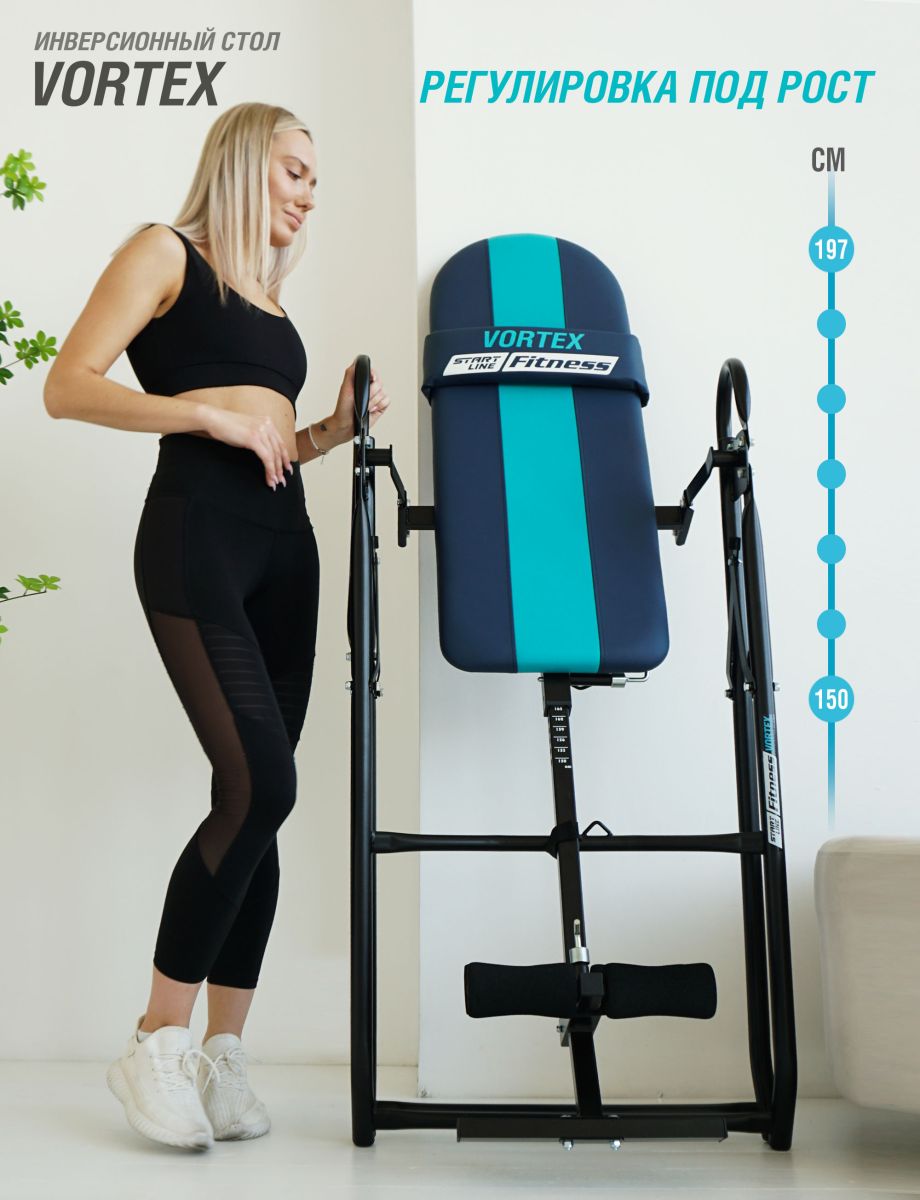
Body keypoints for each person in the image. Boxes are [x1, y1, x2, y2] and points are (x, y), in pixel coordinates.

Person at [42, 102, 390, 1151]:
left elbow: (272, 442)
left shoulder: (270, 304)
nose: (308, 195)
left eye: (315, 181)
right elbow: (67, 386)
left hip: (285, 547)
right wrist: (202, 412)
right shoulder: (165, 253)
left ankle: (221, 1054)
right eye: (294, 171)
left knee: (259, 806)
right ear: (243, 161)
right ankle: (155, 1040)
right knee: (260, 785)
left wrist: (329, 428)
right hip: (196, 538)